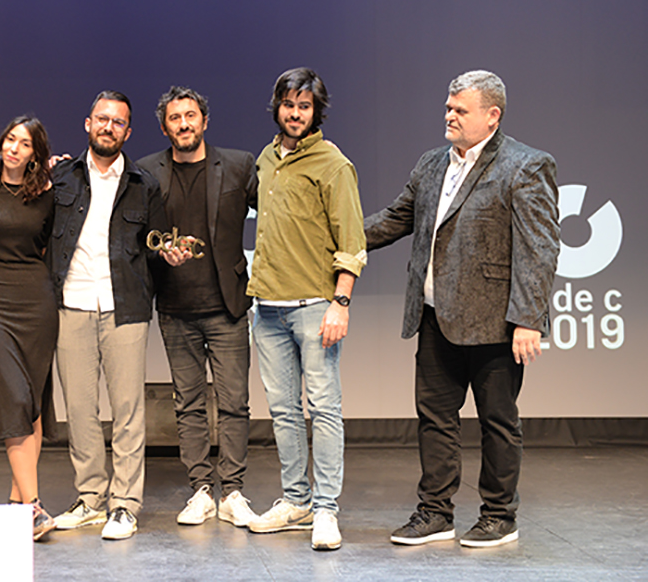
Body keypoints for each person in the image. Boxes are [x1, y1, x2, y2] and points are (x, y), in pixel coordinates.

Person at [364, 70, 559, 548]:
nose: (449, 115)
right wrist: (333, 235)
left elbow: (539, 249)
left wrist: (529, 319)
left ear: (492, 116)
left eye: (460, 109)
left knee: (498, 422)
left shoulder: (525, 165)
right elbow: (396, 219)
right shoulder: (432, 163)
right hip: (435, 316)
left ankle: (499, 516)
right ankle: (435, 512)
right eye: (448, 107)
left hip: (495, 322)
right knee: (435, 419)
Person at [47, 91, 183, 540]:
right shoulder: (60, 176)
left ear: (128, 131)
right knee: (79, 408)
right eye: (102, 119)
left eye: (118, 122)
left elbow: (157, 244)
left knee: (128, 410)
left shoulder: (145, 184)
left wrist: (170, 253)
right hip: (71, 303)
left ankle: (124, 504)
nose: (109, 127)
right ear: (88, 123)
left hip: (125, 305)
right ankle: (90, 499)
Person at [245, 68, 366, 551]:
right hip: (267, 307)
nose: (295, 114)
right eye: (288, 104)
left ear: (317, 112)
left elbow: (351, 240)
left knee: (324, 408)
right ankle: (296, 501)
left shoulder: (333, 164)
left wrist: (341, 302)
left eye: (304, 106)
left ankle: (326, 509)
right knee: (283, 411)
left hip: (316, 306)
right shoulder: (266, 160)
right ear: (277, 107)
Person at [136, 86, 259, 527]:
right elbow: (136, 236)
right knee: (187, 404)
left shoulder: (240, 165)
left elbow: (276, 213)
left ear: (205, 121)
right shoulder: (146, 171)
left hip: (227, 306)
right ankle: (201, 491)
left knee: (234, 403)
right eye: (175, 118)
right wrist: (158, 253)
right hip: (174, 306)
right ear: (164, 127)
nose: (184, 124)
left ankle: (234, 492)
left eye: (191, 116)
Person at [0, 116, 59, 541]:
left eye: (24, 143)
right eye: (9, 139)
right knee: (14, 398)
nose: (14, 147)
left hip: (37, 305)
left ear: (35, 153)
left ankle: (17, 502)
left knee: (31, 404)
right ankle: (33, 508)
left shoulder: (47, 195)